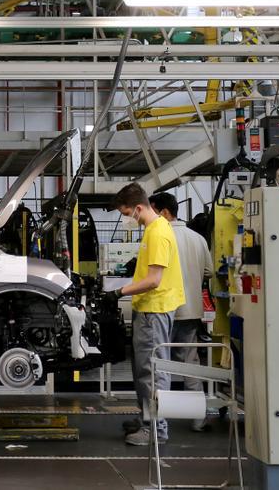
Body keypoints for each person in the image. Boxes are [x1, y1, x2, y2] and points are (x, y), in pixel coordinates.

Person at [110, 182, 186, 446]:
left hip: (155, 309)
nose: (126, 219)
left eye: (126, 213)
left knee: (152, 372)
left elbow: (154, 280)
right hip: (149, 308)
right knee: (142, 369)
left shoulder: (157, 233)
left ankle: (156, 429)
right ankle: (147, 418)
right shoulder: (153, 229)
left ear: (139, 208)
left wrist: (119, 292)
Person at [149, 192, 213, 433]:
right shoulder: (197, 238)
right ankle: (198, 419)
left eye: (153, 210)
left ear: (164, 212)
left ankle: (159, 422)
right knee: (190, 362)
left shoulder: (159, 236)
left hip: (164, 309)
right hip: (191, 310)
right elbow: (208, 272)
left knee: (160, 362)